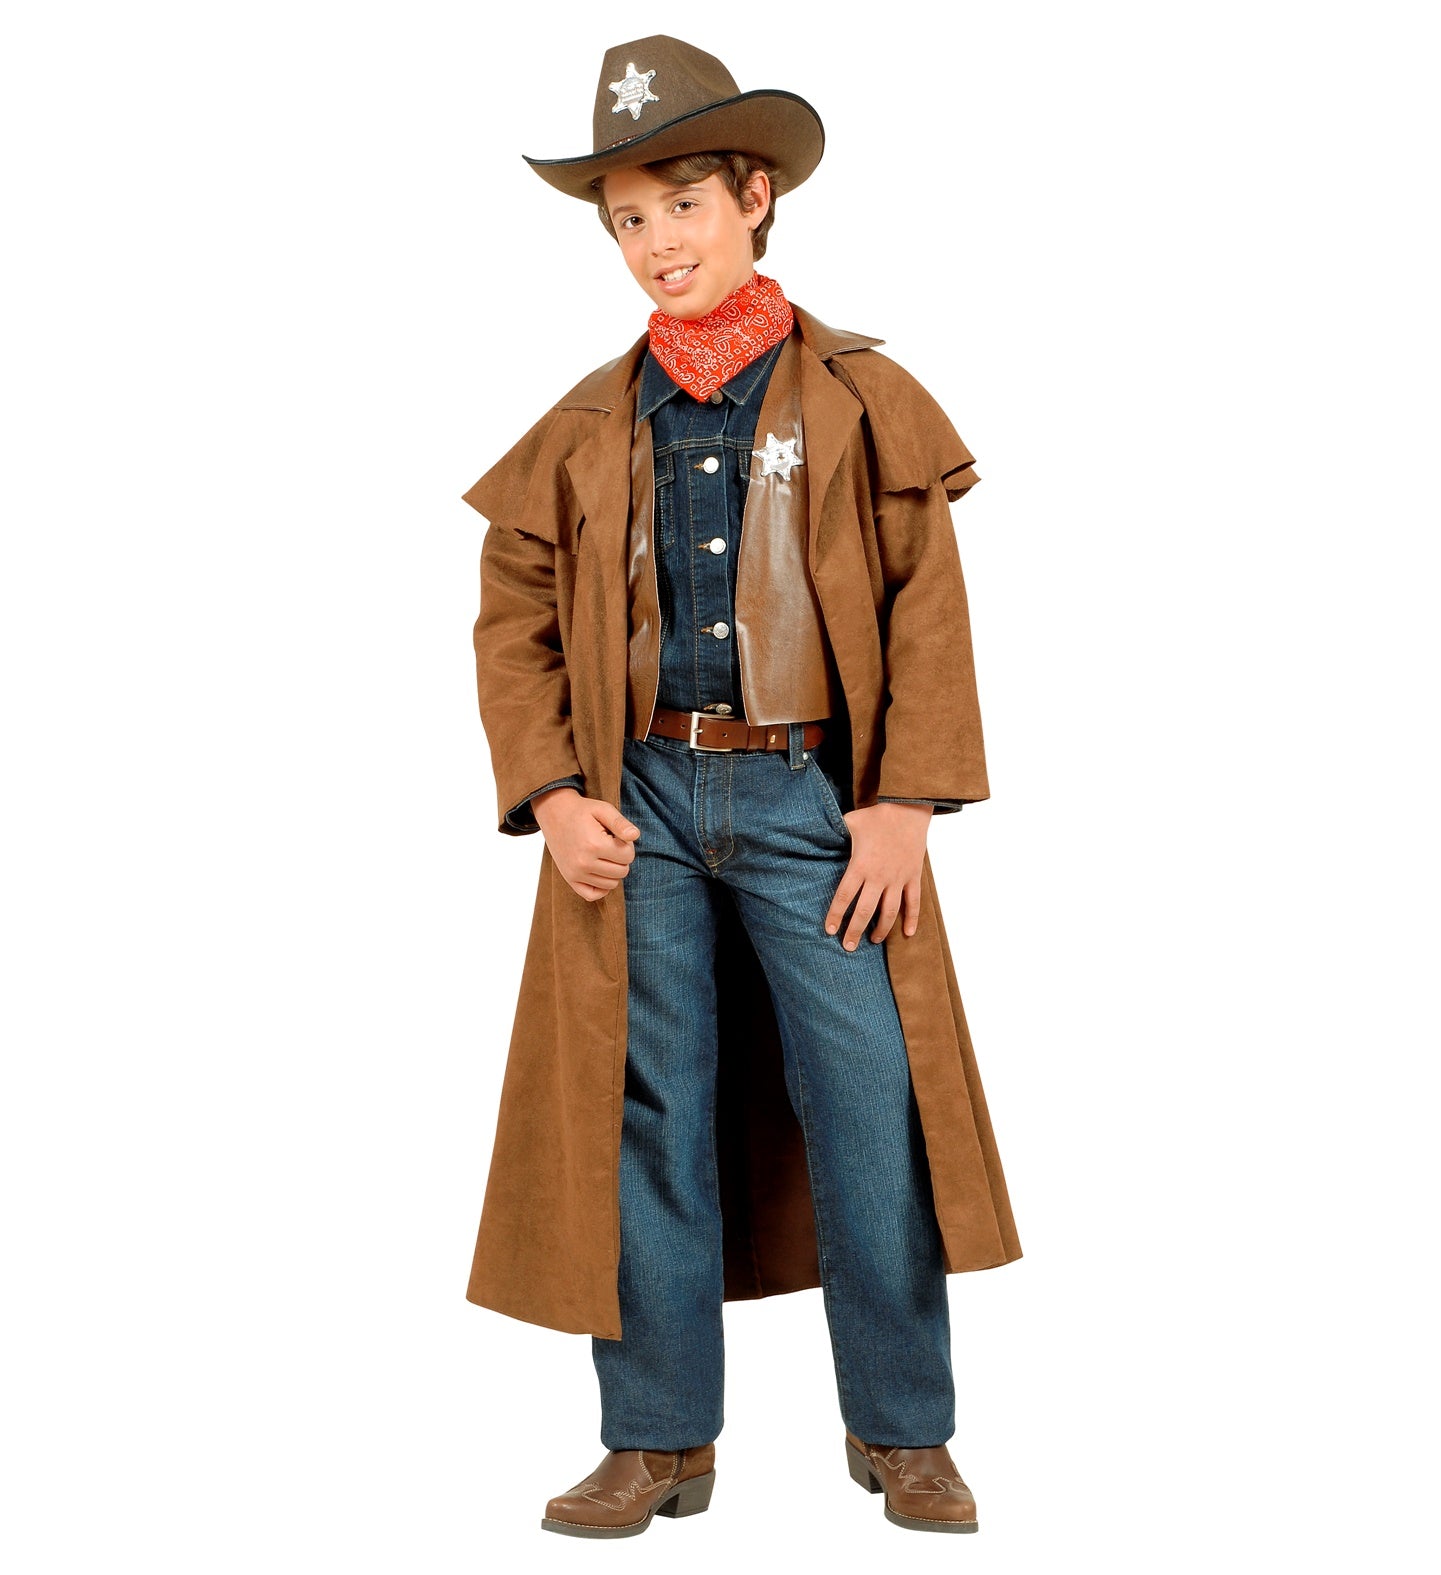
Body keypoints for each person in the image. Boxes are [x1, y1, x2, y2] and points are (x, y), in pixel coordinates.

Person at [459, 34, 1022, 1539]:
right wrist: (554, 792)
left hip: (810, 804)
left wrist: (903, 803)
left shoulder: (859, 398)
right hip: (634, 805)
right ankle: (656, 1439)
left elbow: (925, 604)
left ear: (754, 197)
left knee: (871, 1101)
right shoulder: (591, 420)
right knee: (642, 1111)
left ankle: (903, 1430)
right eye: (628, 221)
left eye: (683, 206)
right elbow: (515, 611)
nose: (659, 243)